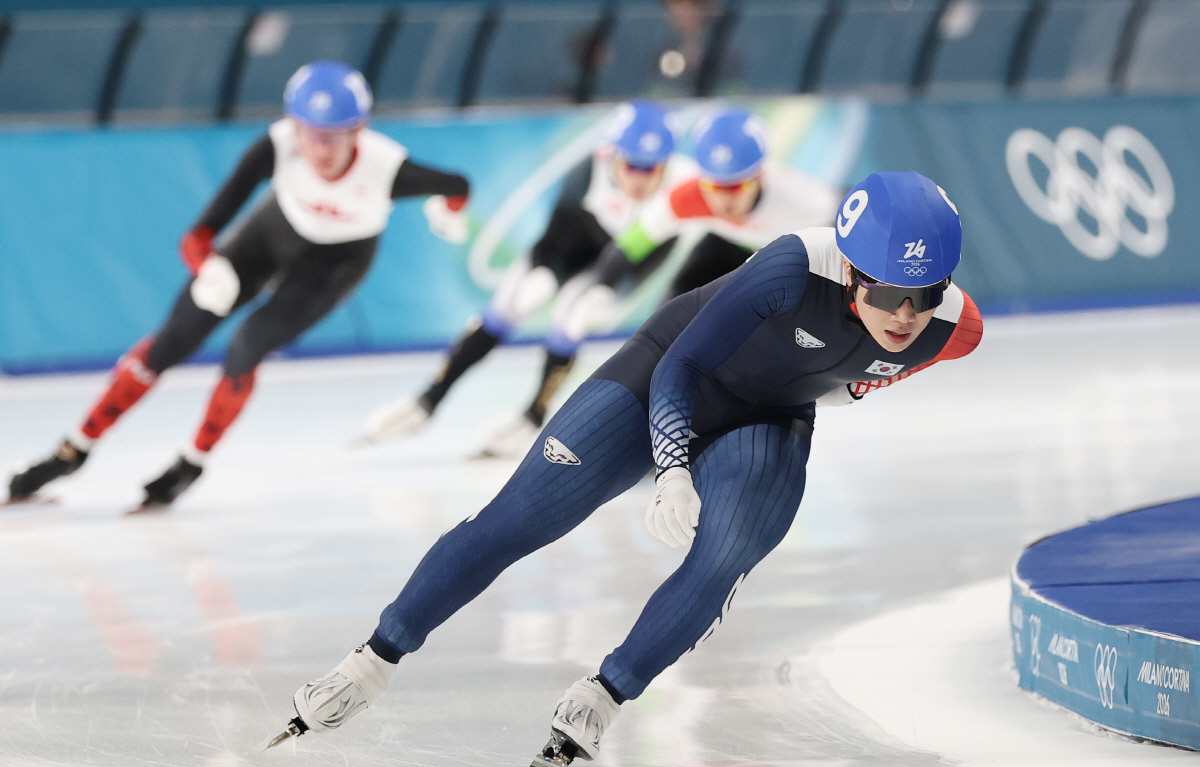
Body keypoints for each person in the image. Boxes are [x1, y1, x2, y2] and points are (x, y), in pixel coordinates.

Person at [266, 171, 983, 767]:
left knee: (725, 558)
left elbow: (878, 363)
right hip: (661, 376)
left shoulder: (958, 330)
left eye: (929, 293)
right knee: (516, 520)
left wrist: (851, 387)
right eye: (891, 294)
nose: (908, 315)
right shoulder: (790, 267)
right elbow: (683, 366)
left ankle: (603, 696)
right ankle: (369, 663)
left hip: (770, 416)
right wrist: (670, 467)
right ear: (854, 271)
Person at [6, 61, 471, 510]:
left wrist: (449, 214)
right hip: (269, 236)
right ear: (293, 126)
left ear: (360, 130)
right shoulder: (276, 146)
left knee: (248, 345)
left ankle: (192, 463)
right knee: (172, 340)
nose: (321, 149)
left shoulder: (388, 168)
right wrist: (207, 267)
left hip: (335, 264)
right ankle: (73, 449)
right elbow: (199, 233)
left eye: (334, 137)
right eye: (311, 134)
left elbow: (458, 183)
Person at [467, 108, 840, 458]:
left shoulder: (805, 202)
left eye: (736, 188)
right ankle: (641, 427)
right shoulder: (689, 197)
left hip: (793, 252)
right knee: (669, 328)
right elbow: (630, 245)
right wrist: (602, 286)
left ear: (759, 176)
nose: (724, 201)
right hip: (725, 248)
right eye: (715, 187)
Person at [361, 99, 686, 447]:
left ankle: (533, 416)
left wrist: (608, 288)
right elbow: (558, 231)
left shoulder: (682, 186)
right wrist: (545, 270)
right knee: (512, 305)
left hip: (623, 264)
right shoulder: (588, 170)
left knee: (571, 320)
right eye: (632, 166)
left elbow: (656, 257)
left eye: (652, 169)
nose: (640, 177)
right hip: (572, 243)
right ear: (612, 155)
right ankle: (428, 399)